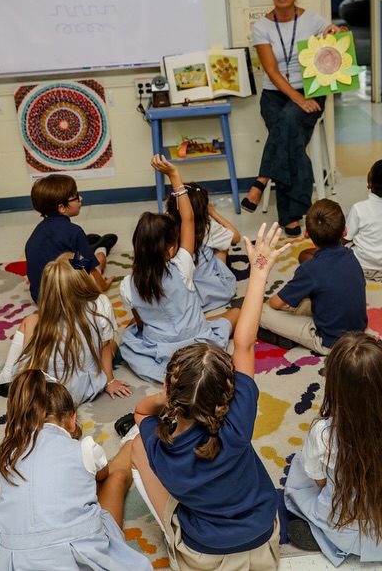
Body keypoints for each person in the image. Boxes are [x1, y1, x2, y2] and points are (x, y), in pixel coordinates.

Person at [129, 222, 290, 570]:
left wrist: (163, 402)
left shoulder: (162, 446)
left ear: (169, 390)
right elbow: (244, 342)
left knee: (135, 447)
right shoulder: (237, 424)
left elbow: (141, 413)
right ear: (228, 394)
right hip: (263, 541)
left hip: (204, 555)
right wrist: (259, 271)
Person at [283, 332, 382, 565]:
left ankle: (325, 538)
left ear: (335, 385)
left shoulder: (323, 432)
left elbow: (318, 480)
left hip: (344, 526)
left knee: (300, 468)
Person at [0, 370, 151, 570]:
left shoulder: (4, 458)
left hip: (16, 562)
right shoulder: (82, 449)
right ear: (73, 420)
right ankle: (134, 437)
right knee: (114, 477)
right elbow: (103, 475)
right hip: (76, 556)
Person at [241, 0, 347, 237]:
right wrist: (297, 100)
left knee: (287, 124)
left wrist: (338, 32)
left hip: (312, 93)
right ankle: (294, 214)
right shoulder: (262, 26)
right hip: (275, 96)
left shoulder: (311, 20)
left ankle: (261, 180)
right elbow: (272, 72)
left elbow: (339, 39)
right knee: (290, 133)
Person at [119, 155, 240, 383]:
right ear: (171, 249)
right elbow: (188, 219)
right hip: (198, 342)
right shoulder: (183, 266)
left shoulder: (127, 285)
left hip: (160, 349)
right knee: (235, 313)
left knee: (128, 336)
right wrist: (174, 175)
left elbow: (141, 323)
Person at [0, 253, 131, 404]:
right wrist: (109, 382)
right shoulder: (100, 303)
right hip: (83, 386)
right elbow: (104, 348)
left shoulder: (46, 313)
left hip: (46, 388)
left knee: (29, 321)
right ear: (83, 279)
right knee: (110, 344)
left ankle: (7, 376)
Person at [259, 198, 367, 353]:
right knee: (304, 300)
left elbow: (275, 304)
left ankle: (283, 337)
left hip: (330, 343)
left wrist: (271, 304)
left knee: (260, 312)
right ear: (345, 230)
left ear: (306, 234)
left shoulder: (310, 269)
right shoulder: (351, 255)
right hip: (358, 332)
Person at [24, 174, 117, 302]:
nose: (81, 198)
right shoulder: (74, 232)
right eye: (76, 197)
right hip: (68, 298)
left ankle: (86, 248)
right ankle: (100, 248)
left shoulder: (37, 231)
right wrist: (105, 285)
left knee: (76, 258)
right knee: (99, 260)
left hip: (40, 297)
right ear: (61, 208)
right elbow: (90, 271)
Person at [166, 181, 237, 311]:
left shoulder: (166, 227)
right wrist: (214, 213)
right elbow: (236, 237)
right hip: (211, 291)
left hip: (179, 294)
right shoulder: (207, 227)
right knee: (222, 246)